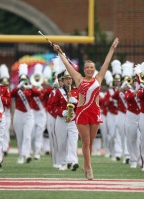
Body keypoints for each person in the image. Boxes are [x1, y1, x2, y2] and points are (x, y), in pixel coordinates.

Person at [53, 37, 119, 180]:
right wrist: (59, 52)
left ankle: (86, 163)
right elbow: (67, 64)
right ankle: (89, 168)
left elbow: (107, 63)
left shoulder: (98, 79)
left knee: (91, 143)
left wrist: (112, 48)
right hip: (82, 112)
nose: (90, 69)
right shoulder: (78, 79)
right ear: (84, 69)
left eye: (92, 68)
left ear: (94, 70)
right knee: (85, 141)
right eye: (87, 67)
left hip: (94, 112)